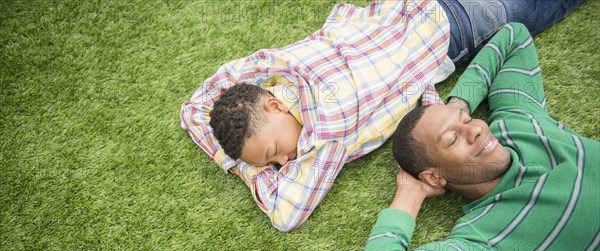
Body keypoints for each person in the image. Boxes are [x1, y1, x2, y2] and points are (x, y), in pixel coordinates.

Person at [181, 0, 583, 232]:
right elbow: (193, 109)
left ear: (274, 106)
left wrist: (242, 169)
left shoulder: (328, 131)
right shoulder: (279, 64)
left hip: (464, 24)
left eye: (273, 151)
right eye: (271, 164)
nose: (283, 163)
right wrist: (243, 153)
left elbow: (287, 214)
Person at [351, 22, 599, 251]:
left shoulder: (516, 121)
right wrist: (409, 194)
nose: (477, 130)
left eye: (467, 120)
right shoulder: (486, 242)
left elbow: (514, 37)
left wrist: (460, 103)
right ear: (435, 176)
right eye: (453, 138)